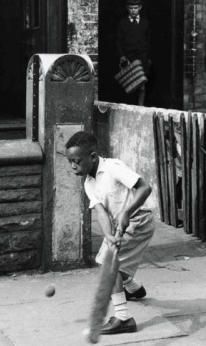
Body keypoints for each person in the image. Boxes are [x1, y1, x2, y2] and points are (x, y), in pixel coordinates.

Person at [65, 131, 154, 335]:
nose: (73, 166)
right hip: (120, 223)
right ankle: (133, 287)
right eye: (70, 162)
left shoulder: (113, 167)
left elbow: (144, 188)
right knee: (104, 261)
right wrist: (109, 236)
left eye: (77, 161)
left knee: (108, 264)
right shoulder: (89, 182)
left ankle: (123, 318)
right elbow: (101, 212)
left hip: (139, 220)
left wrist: (126, 212)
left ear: (93, 156)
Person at [115, 0, 151, 106]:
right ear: (127, 8)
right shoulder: (123, 23)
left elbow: (149, 42)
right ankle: (129, 108)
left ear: (140, 7)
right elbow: (118, 41)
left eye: (135, 8)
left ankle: (140, 107)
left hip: (142, 58)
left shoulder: (145, 23)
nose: (133, 11)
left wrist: (148, 58)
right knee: (129, 85)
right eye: (131, 8)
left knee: (142, 86)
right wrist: (122, 56)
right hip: (128, 58)